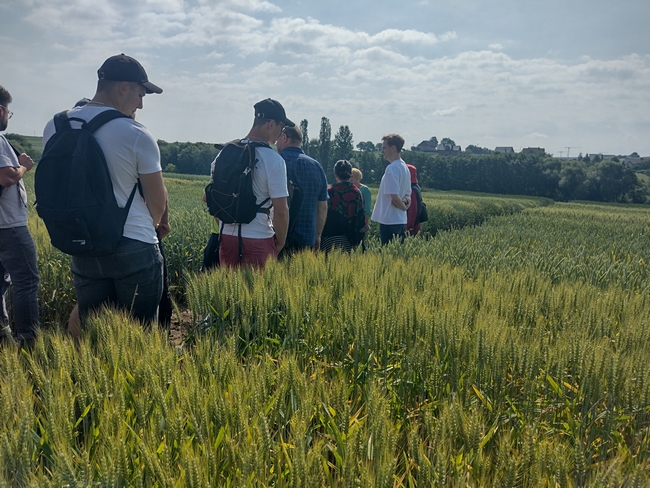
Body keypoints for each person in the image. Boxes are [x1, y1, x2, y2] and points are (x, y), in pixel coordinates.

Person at [43, 54, 168, 337]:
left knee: (95, 338)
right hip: (133, 246)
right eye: (140, 93)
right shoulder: (135, 132)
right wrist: (148, 225)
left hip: (82, 245)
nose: (141, 103)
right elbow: (157, 203)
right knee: (139, 337)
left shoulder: (55, 125)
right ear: (123, 86)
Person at [217, 99, 293, 268]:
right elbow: (281, 210)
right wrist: (279, 243)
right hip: (259, 239)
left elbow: (211, 198)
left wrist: (225, 227)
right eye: (281, 128)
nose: (281, 134)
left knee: (228, 294)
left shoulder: (223, 154)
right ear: (271, 124)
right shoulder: (274, 160)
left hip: (226, 237)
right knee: (258, 293)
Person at [0, 85, 40, 345]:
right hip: (9, 226)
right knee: (27, 280)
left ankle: (3, 334)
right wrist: (23, 166)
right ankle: (28, 341)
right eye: (8, 112)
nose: (7, 117)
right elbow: (7, 176)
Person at [276, 125, 328, 252]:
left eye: (278, 139)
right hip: (307, 239)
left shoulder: (276, 162)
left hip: (276, 239)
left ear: (284, 138)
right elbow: (322, 207)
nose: (276, 143)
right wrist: (317, 236)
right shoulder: (317, 167)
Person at [371, 134, 411, 245]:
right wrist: (405, 206)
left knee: (388, 255)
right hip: (401, 220)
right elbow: (408, 195)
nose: (382, 151)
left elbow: (394, 197)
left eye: (384, 148)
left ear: (393, 148)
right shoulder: (405, 167)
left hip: (390, 220)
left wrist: (403, 208)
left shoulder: (391, 168)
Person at [320, 160, 365, 254]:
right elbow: (360, 218)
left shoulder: (329, 191)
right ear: (350, 174)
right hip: (349, 240)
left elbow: (322, 214)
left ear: (335, 174)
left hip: (328, 238)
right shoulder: (356, 192)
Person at [350, 167, 372, 237]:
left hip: (360, 220)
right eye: (349, 177)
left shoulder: (365, 190)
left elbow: (367, 208)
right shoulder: (348, 189)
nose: (350, 179)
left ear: (357, 177)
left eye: (352, 177)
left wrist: (366, 223)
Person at [406, 164, 421, 236]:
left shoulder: (411, 190)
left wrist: (408, 227)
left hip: (412, 227)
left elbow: (412, 211)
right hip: (415, 225)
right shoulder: (416, 187)